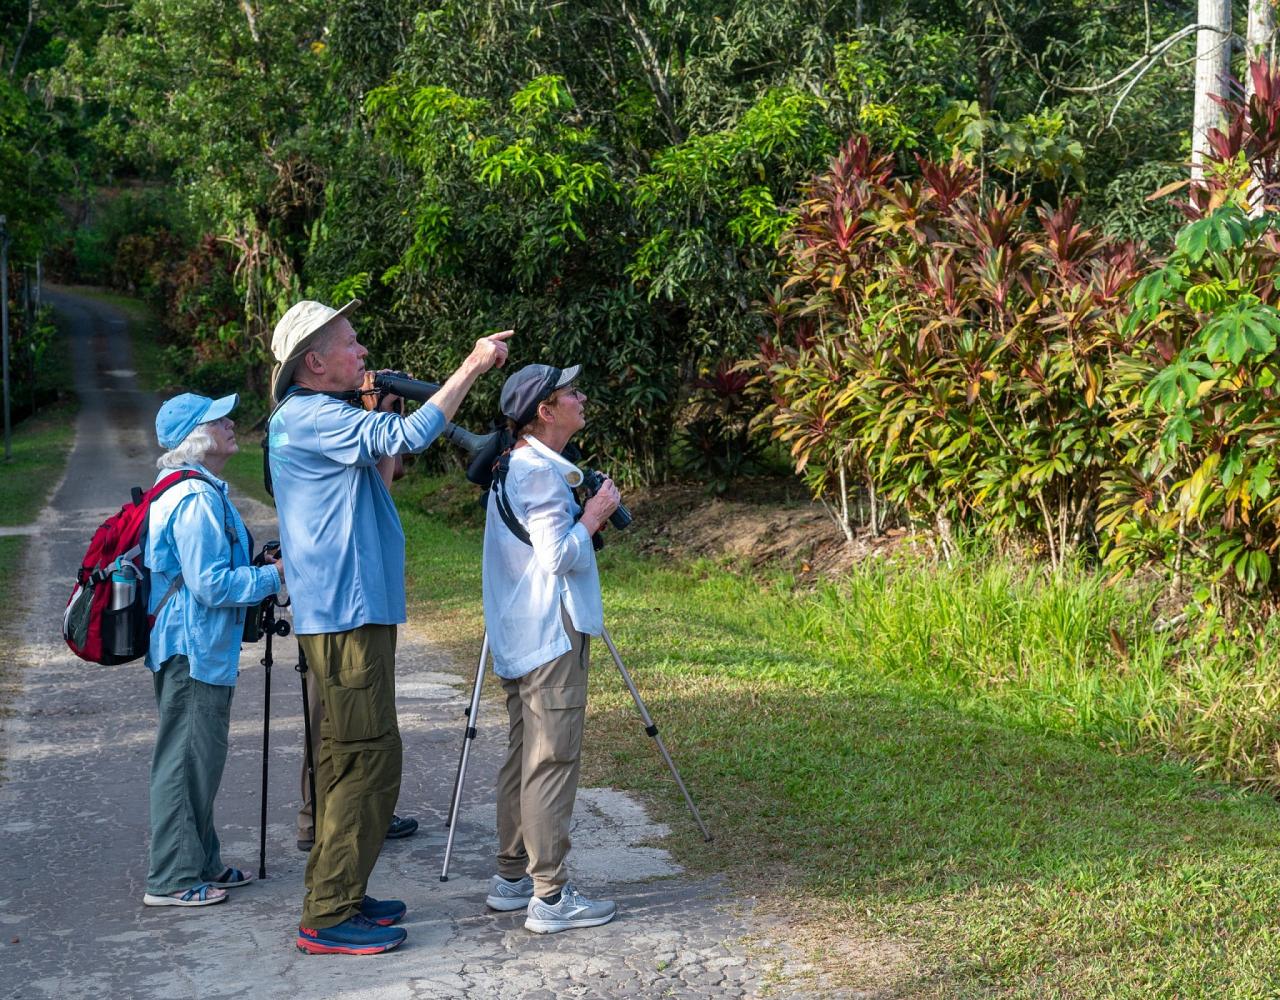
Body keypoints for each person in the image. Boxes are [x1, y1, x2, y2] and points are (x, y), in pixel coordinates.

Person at [268, 298, 511, 955]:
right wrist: (474, 364)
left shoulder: (318, 418)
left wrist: (384, 424)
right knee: (368, 757)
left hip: (348, 609)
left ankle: (339, 890)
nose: (363, 354)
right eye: (350, 344)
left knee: (343, 754)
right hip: (346, 613)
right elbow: (408, 441)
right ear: (314, 363)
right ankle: (327, 914)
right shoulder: (313, 417)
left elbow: (382, 470)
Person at [481, 363, 622, 934]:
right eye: (571, 393)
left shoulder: (513, 465)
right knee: (551, 759)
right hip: (550, 630)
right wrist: (594, 516)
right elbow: (557, 555)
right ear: (544, 411)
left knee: (525, 755)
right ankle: (550, 896)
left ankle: (514, 878)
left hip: (523, 628)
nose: (581, 397)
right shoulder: (539, 473)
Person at [141, 392, 285, 908]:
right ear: (196, 439)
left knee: (200, 757)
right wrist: (273, 575)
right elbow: (209, 585)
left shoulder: (197, 490)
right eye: (218, 420)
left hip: (196, 646)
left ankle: (201, 862)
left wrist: (259, 563)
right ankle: (172, 878)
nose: (229, 425)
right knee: (185, 760)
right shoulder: (194, 499)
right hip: (192, 647)